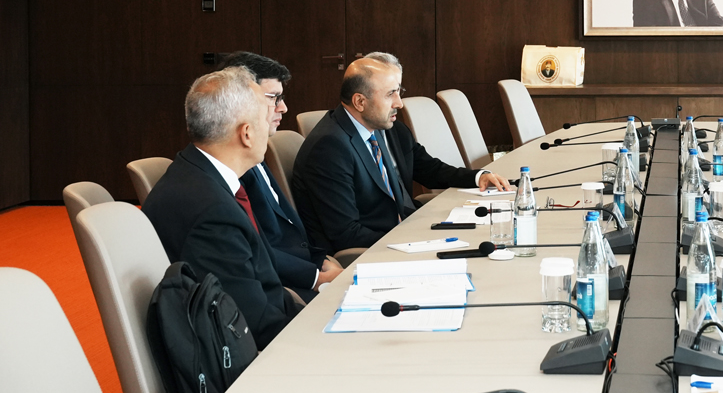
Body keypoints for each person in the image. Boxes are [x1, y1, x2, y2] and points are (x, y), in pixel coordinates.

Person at [143, 67, 300, 349]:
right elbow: (255, 326)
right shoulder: (212, 213)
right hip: (263, 356)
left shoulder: (199, 174)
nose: (271, 124)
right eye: (265, 116)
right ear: (247, 134)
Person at [292, 53, 512, 253]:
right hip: (372, 252)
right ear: (359, 101)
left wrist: (478, 177)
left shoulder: (387, 127)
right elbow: (346, 234)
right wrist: (417, 240)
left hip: (404, 229)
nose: (399, 103)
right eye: (390, 94)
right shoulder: (329, 147)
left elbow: (429, 169)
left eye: (399, 91)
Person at [219, 51, 342, 302]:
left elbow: (289, 231)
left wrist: (320, 260)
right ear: (242, 100)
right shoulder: (232, 168)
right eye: (273, 98)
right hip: (282, 289)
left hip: (304, 269)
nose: (283, 108)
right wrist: (316, 277)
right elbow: (256, 249)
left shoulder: (256, 156)